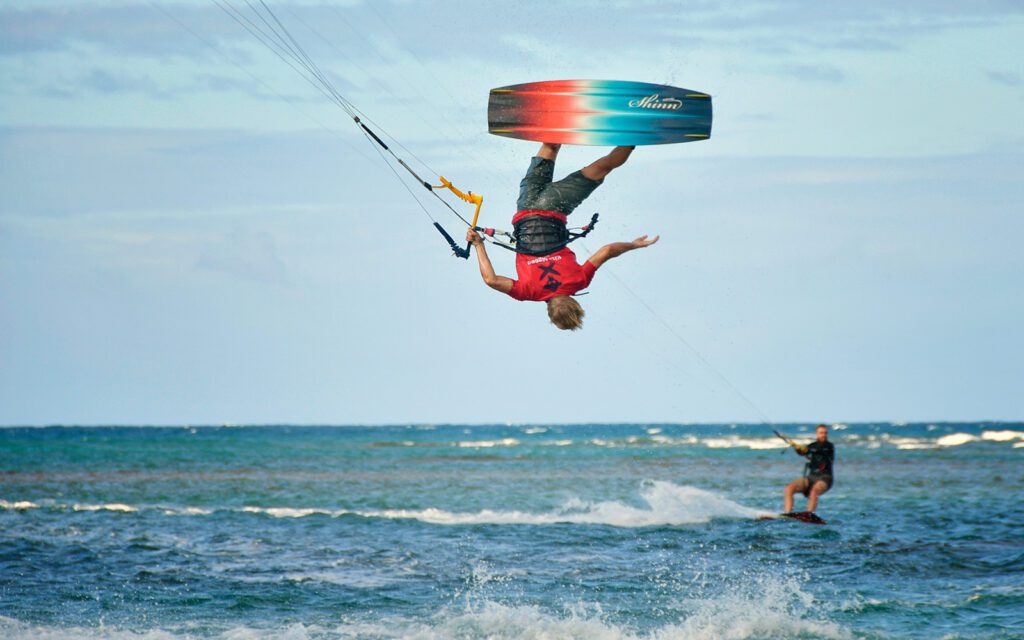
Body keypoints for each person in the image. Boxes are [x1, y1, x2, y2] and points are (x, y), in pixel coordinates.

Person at [466, 142, 659, 330]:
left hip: (556, 205)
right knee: (550, 147)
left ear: (575, 303)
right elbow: (491, 280)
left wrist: (633, 245)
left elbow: (607, 250)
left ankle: (631, 139)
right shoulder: (528, 292)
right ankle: (553, 130)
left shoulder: (579, 281)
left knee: (603, 167)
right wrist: (478, 244)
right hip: (526, 207)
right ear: (549, 312)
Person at [782, 423, 835, 514]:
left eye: (825, 433)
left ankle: (809, 514)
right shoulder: (812, 445)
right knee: (789, 488)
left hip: (825, 478)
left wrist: (806, 449)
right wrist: (797, 448)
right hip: (811, 477)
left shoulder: (829, 446)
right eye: (821, 433)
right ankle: (787, 513)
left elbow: (818, 450)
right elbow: (803, 452)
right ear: (817, 434)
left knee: (814, 491)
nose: (823, 435)